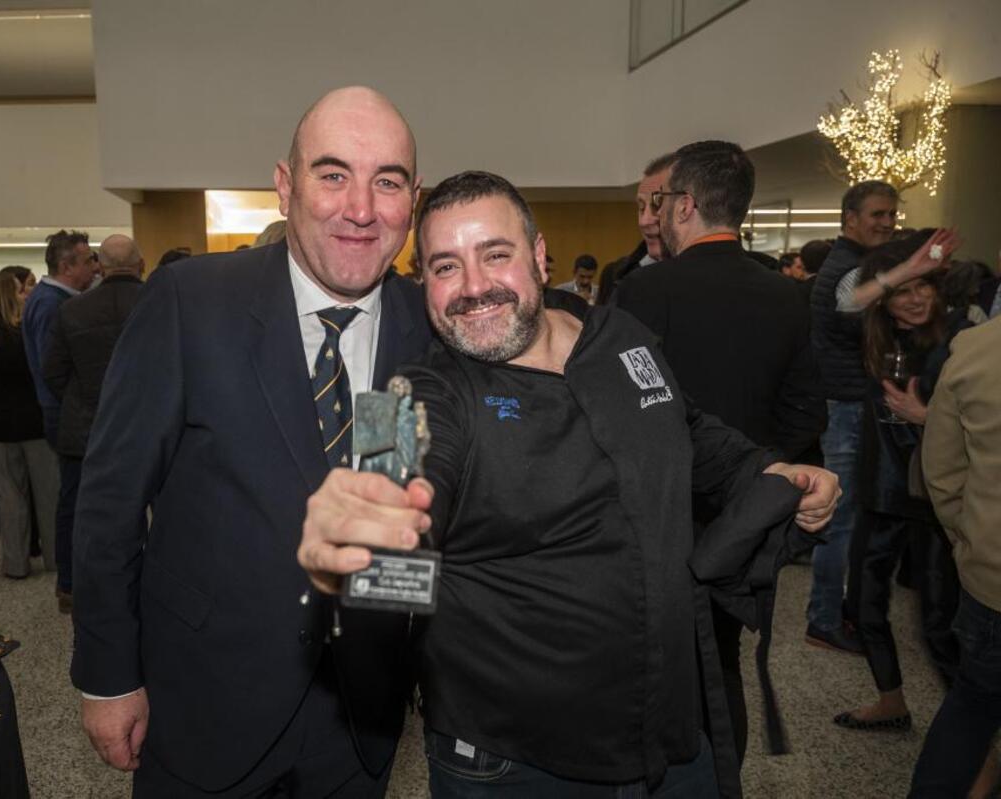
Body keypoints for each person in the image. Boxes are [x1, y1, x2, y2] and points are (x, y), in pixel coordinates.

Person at [297, 170, 840, 798]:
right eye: (445, 267)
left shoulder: (620, 336)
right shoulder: (413, 390)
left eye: (494, 255)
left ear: (538, 253)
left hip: (670, 727)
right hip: (515, 762)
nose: (472, 288)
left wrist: (765, 470)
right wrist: (365, 530)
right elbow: (392, 492)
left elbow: (688, 428)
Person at [71, 86, 432, 797]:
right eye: (333, 174)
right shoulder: (189, 302)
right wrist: (109, 676)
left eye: (386, 182)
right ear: (284, 186)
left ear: (411, 202)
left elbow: (405, 506)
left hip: (360, 719)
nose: (360, 208)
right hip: (207, 699)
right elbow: (110, 501)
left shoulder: (424, 327)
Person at [616, 140, 827, 763]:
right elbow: (806, 411)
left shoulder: (644, 294)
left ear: (683, 207)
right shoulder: (787, 295)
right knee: (722, 664)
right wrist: (757, 478)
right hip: (745, 519)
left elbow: (622, 411)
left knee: (650, 661)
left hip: (656, 517)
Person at [834, 232, 967, 732]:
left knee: (938, 623)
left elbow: (984, 420)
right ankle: (891, 701)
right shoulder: (877, 339)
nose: (914, 298)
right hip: (883, 489)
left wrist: (925, 415)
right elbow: (845, 301)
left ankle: (974, 742)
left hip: (936, 498)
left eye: (923, 288)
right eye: (902, 291)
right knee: (864, 606)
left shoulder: (960, 337)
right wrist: (903, 268)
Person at [805, 179, 899, 655]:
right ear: (850, 220)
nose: (886, 222)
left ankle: (831, 610)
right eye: (878, 214)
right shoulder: (849, 269)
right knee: (839, 519)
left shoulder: (854, 264)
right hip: (844, 405)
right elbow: (849, 306)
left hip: (845, 402)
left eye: (891, 214)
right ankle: (823, 619)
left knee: (842, 517)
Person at [910, 314, 1001, 797]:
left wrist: (969, 543)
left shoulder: (974, 348)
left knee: (972, 706)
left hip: (992, 577)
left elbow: (942, 470)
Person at [42, 234, 145, 612]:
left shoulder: (73, 310)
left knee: (75, 510)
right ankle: (149, 585)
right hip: (149, 430)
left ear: (101, 265)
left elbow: (52, 371)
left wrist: (84, 400)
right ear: (142, 264)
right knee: (158, 508)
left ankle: (69, 587)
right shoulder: (162, 304)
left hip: (86, 427)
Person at [0, 274, 58, 579]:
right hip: (34, 423)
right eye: (19, 290)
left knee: (9, 497)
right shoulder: (25, 335)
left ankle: (15, 563)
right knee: (48, 496)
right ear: (8, 296)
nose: (24, 294)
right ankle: (56, 558)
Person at [22, 229, 96, 610]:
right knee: (74, 500)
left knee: (75, 497)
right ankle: (69, 583)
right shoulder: (53, 304)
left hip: (64, 413)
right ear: (67, 266)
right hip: (66, 416)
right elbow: (53, 370)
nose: (93, 267)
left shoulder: (51, 299)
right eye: (86, 261)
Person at [596, 152, 674, 304]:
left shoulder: (710, 275)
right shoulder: (615, 275)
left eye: (657, 205)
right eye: (641, 207)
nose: (644, 221)